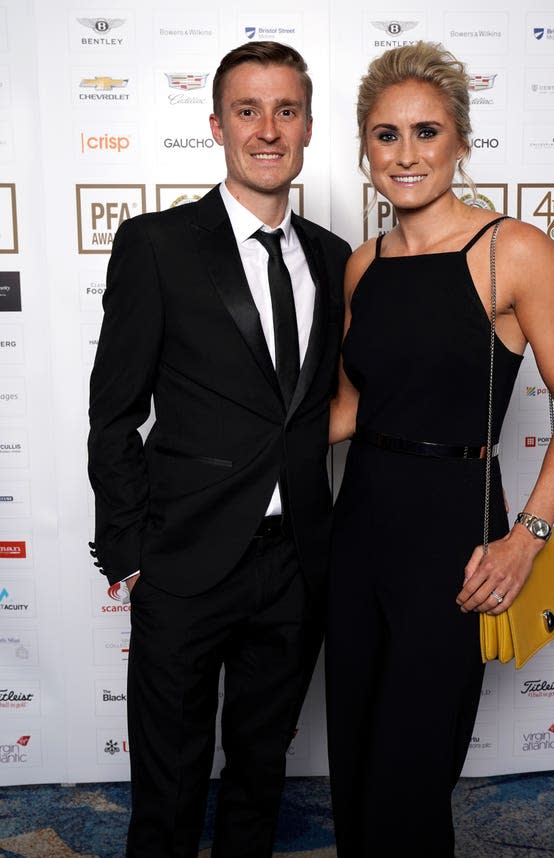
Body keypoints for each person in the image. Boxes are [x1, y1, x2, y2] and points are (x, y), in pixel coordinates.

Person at [325, 41, 554, 857]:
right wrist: (225, 450)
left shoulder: (512, 251)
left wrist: (528, 536)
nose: (406, 154)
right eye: (385, 135)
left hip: (457, 532)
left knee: (412, 773)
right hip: (360, 528)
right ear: (366, 148)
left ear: (459, 141)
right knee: (356, 760)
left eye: (425, 132)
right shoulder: (362, 265)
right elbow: (347, 408)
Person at [87, 40, 350, 858]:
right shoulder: (158, 245)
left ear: (308, 127)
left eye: (286, 110)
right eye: (248, 111)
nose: (267, 130)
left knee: (260, 773)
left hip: (296, 563)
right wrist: (131, 548)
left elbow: (314, 409)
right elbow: (114, 412)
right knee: (168, 783)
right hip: (185, 559)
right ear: (217, 125)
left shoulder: (339, 261)